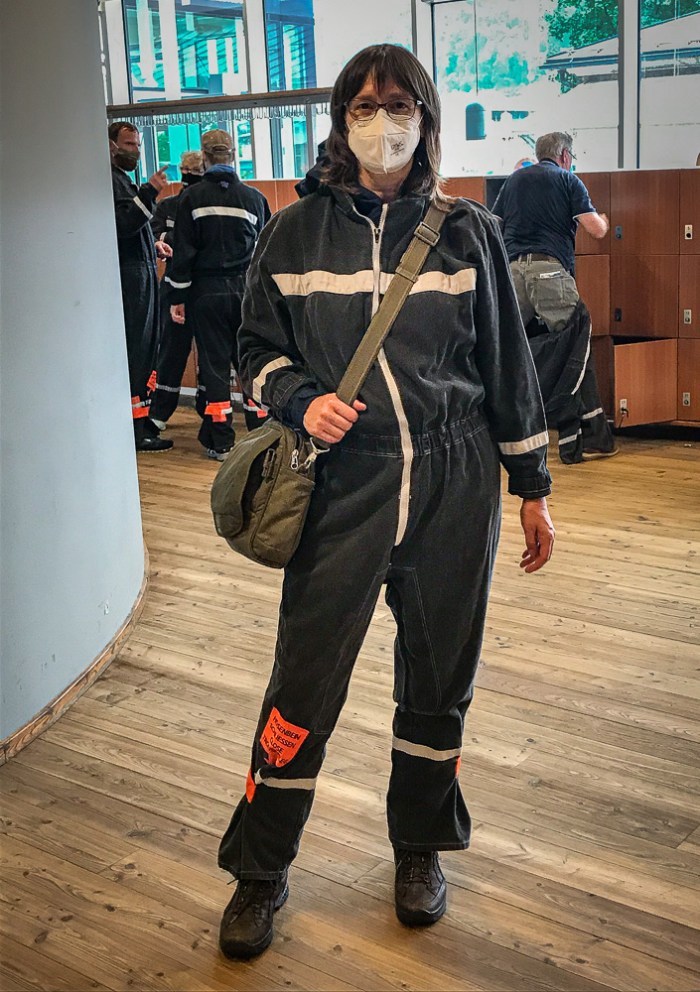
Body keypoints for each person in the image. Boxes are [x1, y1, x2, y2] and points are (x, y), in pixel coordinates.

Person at [216, 44, 555, 961]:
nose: (381, 120)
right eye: (363, 105)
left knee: (440, 679)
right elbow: (253, 350)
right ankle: (260, 868)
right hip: (342, 486)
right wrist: (299, 399)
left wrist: (532, 487)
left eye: (398, 103)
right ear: (341, 120)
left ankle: (420, 847)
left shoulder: (468, 231)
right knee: (303, 683)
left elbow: (507, 366)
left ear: (424, 117)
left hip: (457, 482)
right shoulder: (294, 232)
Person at [492, 131, 618, 462]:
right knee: (576, 345)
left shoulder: (514, 181)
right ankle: (586, 437)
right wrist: (605, 221)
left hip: (513, 274)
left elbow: (493, 225)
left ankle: (506, 431)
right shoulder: (567, 180)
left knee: (509, 351)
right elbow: (595, 229)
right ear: (564, 156)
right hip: (549, 272)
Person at [165, 130, 271, 459]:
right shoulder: (254, 199)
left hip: (205, 292)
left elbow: (183, 252)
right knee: (249, 362)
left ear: (205, 157)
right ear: (233, 155)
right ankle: (261, 436)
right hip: (245, 292)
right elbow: (265, 251)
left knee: (214, 367)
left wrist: (177, 297)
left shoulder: (191, 198)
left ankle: (221, 441)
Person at [109, 121, 173, 452]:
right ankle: (136, 432)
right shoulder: (110, 181)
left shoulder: (122, 179)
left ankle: (140, 426)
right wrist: (149, 191)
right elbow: (123, 224)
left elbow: (134, 230)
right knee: (137, 353)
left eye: (137, 145)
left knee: (147, 352)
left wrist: (154, 245)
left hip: (142, 273)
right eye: (129, 144)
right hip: (131, 282)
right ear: (110, 146)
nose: (135, 151)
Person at [149, 150, 204, 432]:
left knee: (212, 355)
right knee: (171, 352)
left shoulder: (209, 205)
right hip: (174, 287)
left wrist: (181, 240)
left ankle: (211, 412)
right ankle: (160, 412)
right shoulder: (168, 206)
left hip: (206, 288)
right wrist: (180, 239)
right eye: (187, 170)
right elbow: (154, 234)